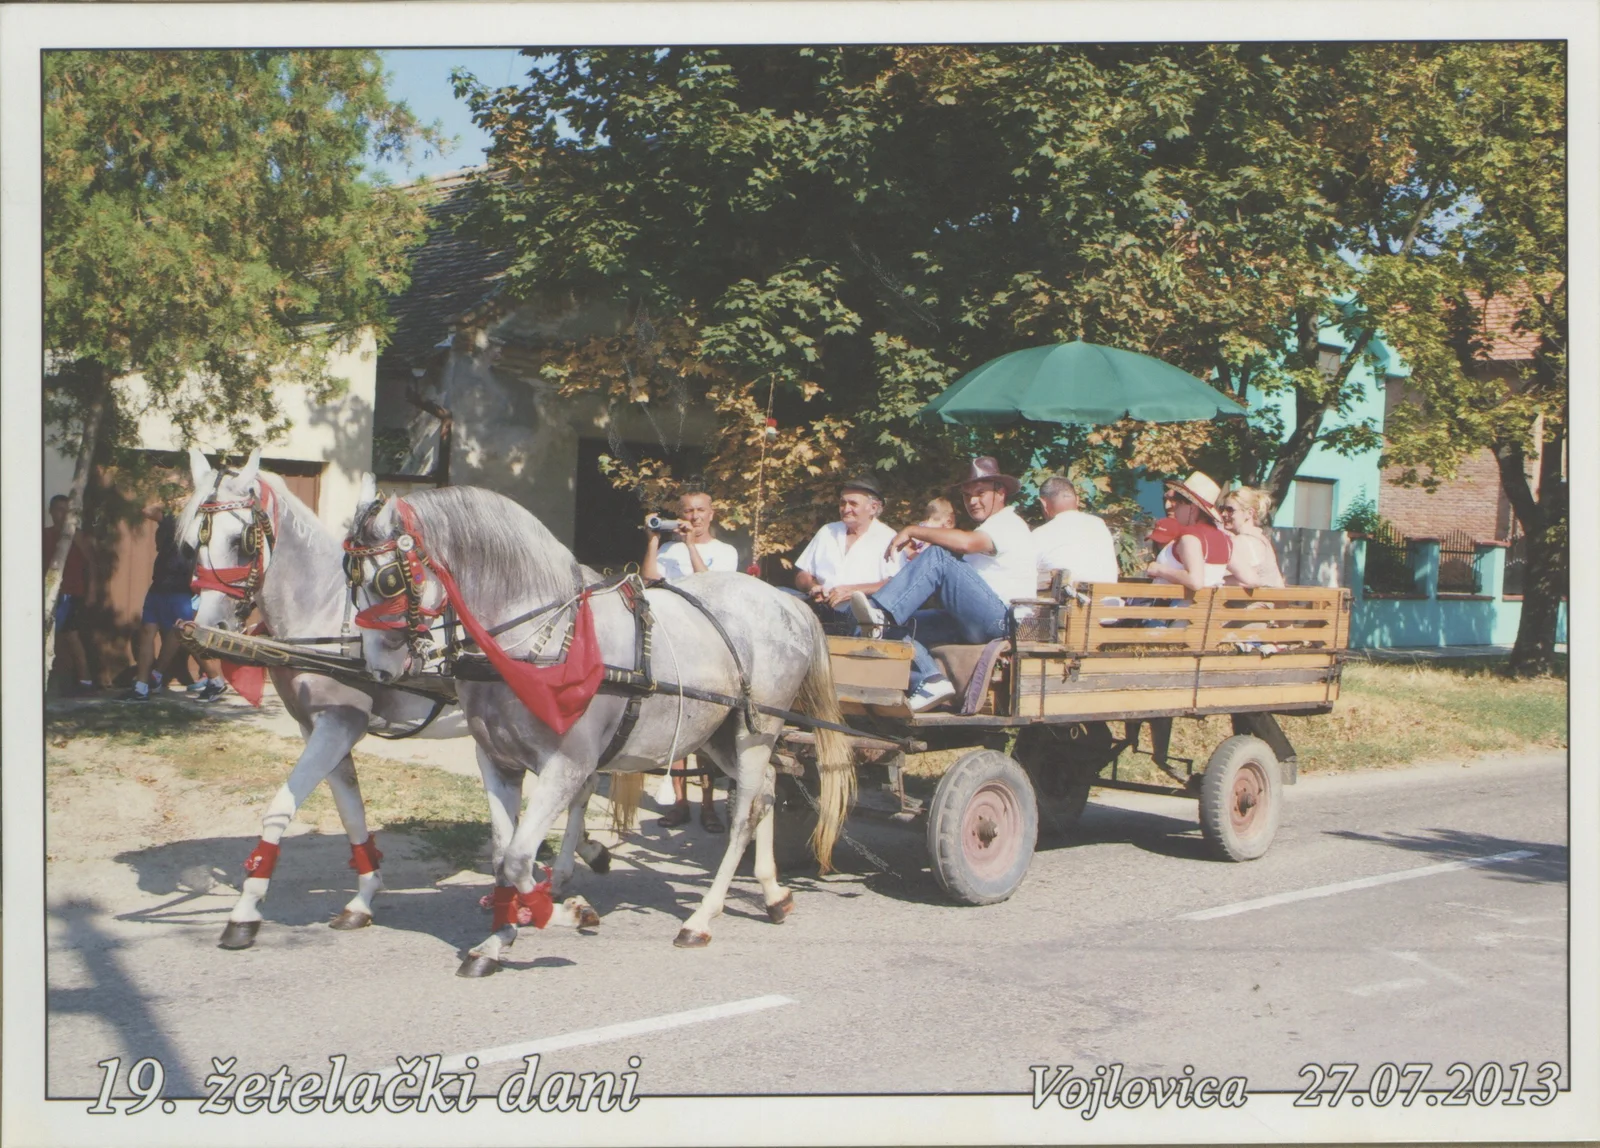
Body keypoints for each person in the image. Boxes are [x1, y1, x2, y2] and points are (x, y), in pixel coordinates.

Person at [849, 457, 1037, 711]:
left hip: (1003, 622)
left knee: (939, 555)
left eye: (980, 493)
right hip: (972, 620)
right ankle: (930, 680)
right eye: (967, 495)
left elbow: (966, 544)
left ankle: (881, 613)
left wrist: (914, 530)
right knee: (894, 627)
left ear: (1000, 492)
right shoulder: (986, 529)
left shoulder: (1007, 523)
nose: (972, 501)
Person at [640, 486, 739, 831]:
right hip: (673, 640)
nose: (693, 517)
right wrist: (654, 541)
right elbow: (647, 580)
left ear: (711, 514)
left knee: (706, 728)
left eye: (699, 511)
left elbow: (709, 586)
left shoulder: (725, 552)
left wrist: (691, 546)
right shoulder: (668, 550)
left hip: (707, 644)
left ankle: (708, 805)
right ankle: (681, 803)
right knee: (677, 726)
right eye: (687, 511)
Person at [127, 491, 225, 701]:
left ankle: (216, 681)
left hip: (181, 589)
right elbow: (147, 511)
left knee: (187, 636)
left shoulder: (198, 524)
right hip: (158, 586)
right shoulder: (170, 519)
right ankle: (141, 687)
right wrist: (171, 501)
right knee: (147, 632)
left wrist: (190, 500)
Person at [791, 475, 903, 626]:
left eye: (853, 504)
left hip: (861, 614)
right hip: (818, 608)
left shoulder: (888, 538)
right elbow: (802, 574)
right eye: (842, 503)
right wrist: (813, 587)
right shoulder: (827, 531)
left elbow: (896, 584)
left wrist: (854, 592)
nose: (846, 509)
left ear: (873, 508)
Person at [44, 494, 99, 696]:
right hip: (50, 593)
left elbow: (92, 563)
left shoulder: (76, 536)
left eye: (66, 510)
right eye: (58, 509)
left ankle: (85, 681)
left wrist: (92, 590)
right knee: (55, 637)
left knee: (70, 636)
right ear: (50, 511)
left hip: (71, 593)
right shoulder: (45, 535)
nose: (62, 514)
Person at [1144, 471, 1233, 593]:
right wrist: (1215, 582)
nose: (1174, 508)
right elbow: (1251, 580)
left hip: (1179, 604)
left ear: (1192, 507)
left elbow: (1195, 581)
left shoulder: (1191, 537)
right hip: (1208, 604)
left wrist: (1159, 570)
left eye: (1179, 504)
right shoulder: (1225, 539)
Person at [1032, 475, 1121, 585]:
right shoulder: (1099, 524)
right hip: (1108, 595)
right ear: (1077, 500)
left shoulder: (1041, 534)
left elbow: (1023, 574)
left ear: (1043, 503)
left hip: (1068, 596)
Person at [1218, 486, 1286, 588]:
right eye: (1222, 509)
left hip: (1261, 598)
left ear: (1249, 513)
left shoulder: (1244, 540)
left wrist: (1214, 580)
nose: (1223, 514)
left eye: (1230, 510)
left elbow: (1252, 580)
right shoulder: (1260, 538)